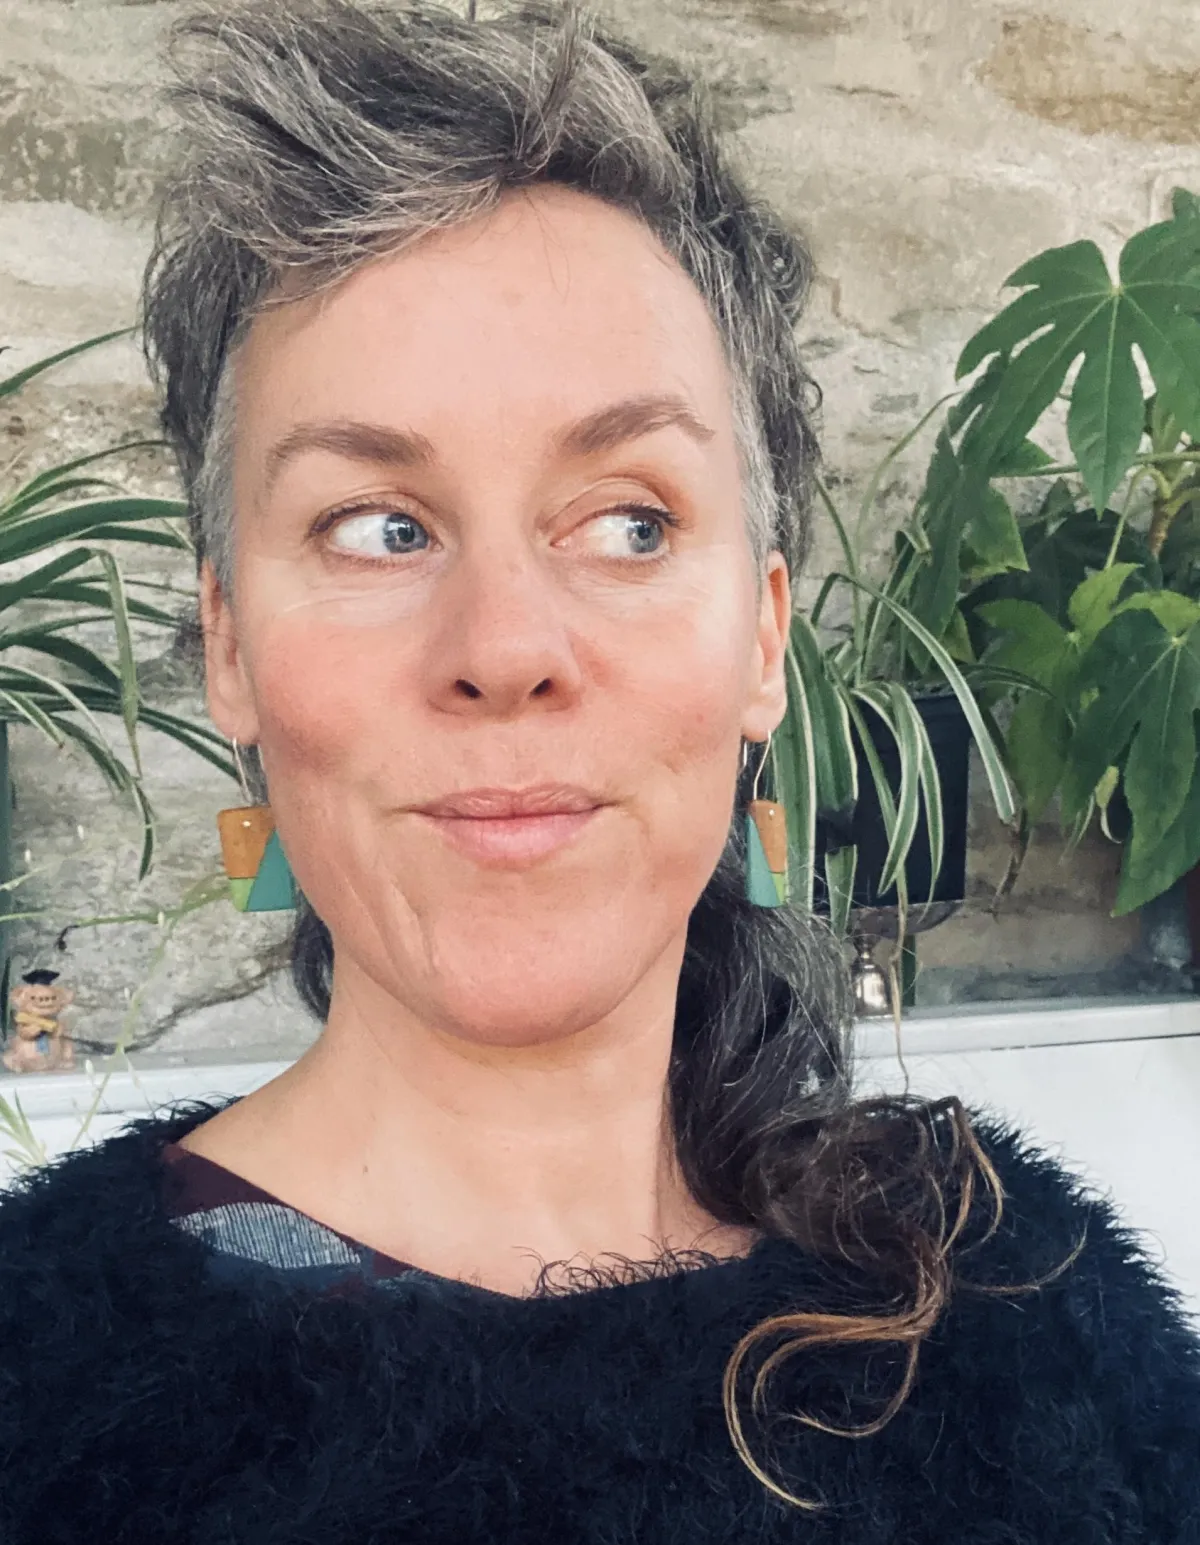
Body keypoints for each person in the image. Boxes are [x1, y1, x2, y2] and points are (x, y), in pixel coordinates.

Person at [1, 2, 1198, 1540]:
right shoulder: (37, 1382)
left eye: (630, 522)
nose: (505, 645)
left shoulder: (1035, 1315)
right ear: (228, 646)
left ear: (763, 637)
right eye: (380, 525)